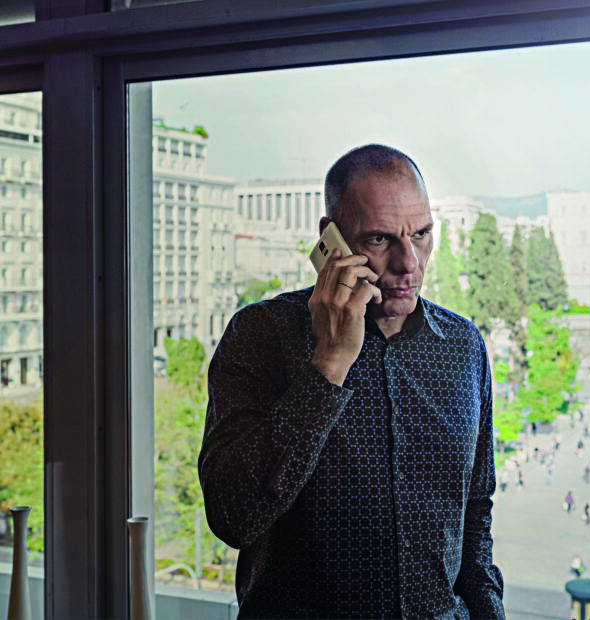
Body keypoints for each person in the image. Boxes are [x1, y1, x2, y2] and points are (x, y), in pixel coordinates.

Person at [198, 145, 504, 619]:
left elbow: (476, 511)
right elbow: (233, 517)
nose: (410, 263)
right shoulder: (261, 335)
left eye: (422, 233)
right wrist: (329, 364)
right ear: (331, 239)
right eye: (381, 239)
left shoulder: (462, 346)